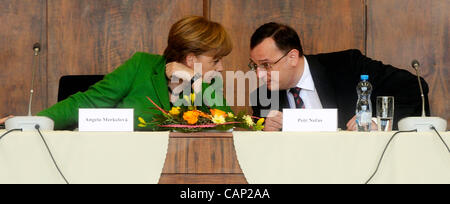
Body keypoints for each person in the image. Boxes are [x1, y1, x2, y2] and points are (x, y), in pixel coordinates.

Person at [0, 16, 233, 130]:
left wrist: (194, 80)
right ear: (190, 58)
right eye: (216, 60)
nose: (221, 67)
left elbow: (228, 127)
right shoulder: (142, 66)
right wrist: (32, 123)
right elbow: (88, 102)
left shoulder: (208, 84)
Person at [249, 22, 429, 131]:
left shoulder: (347, 66)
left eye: (266, 65)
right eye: (255, 66)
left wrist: (376, 122)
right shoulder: (262, 99)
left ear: (292, 57)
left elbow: (414, 87)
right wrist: (266, 132)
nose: (259, 74)